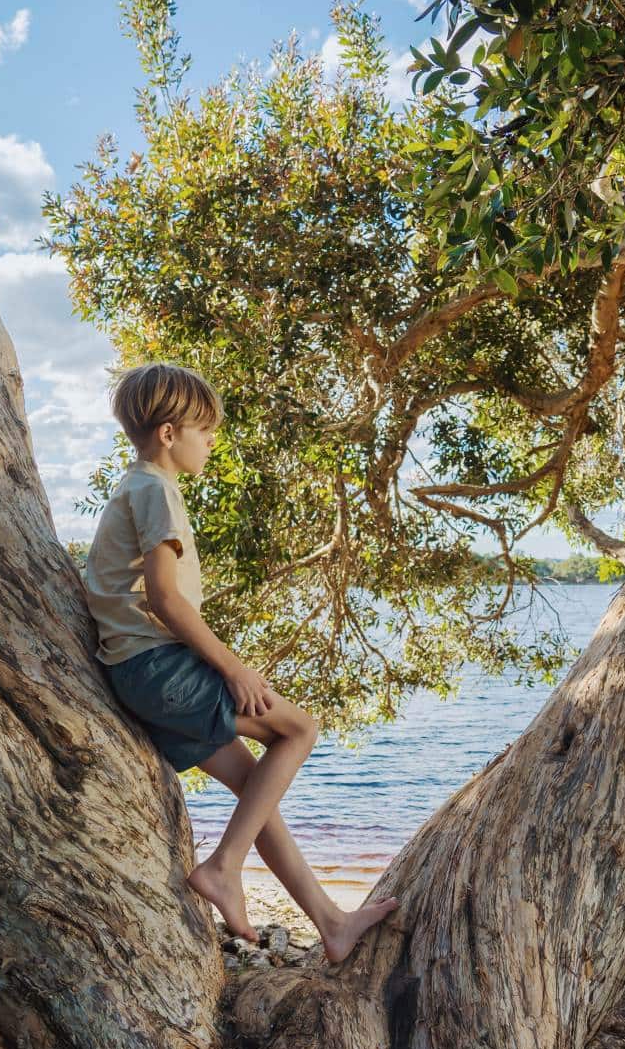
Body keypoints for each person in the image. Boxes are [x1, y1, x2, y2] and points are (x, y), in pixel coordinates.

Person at [84, 362, 400, 964]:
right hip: (161, 668)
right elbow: (164, 597)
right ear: (170, 434)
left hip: (137, 675)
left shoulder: (132, 488)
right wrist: (234, 668)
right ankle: (225, 868)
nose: (211, 443)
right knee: (299, 728)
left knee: (258, 789)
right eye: (204, 432)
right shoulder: (156, 489)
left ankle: (331, 923)